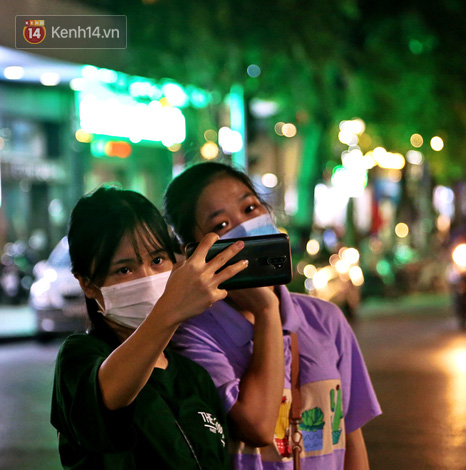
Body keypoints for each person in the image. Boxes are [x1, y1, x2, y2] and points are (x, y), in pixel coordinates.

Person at [163, 162, 381, 470]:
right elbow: (255, 426)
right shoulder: (194, 335)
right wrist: (266, 311)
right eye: (222, 225)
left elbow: (351, 438)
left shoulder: (326, 318)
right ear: (195, 251)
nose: (244, 226)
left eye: (250, 207)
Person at [50, 185, 248, 469]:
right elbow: (106, 399)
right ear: (87, 283)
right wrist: (170, 309)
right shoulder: (80, 358)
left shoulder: (194, 377)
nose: (147, 277)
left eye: (157, 260)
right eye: (124, 269)